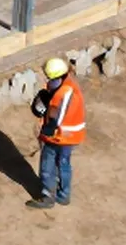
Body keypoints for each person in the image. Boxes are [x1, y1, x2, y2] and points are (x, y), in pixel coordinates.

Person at [30, 56, 87, 209]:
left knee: (47, 165)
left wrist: (45, 131)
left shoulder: (63, 93)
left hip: (59, 137)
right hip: (73, 135)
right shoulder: (69, 85)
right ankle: (63, 195)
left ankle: (48, 196)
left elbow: (56, 116)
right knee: (64, 164)